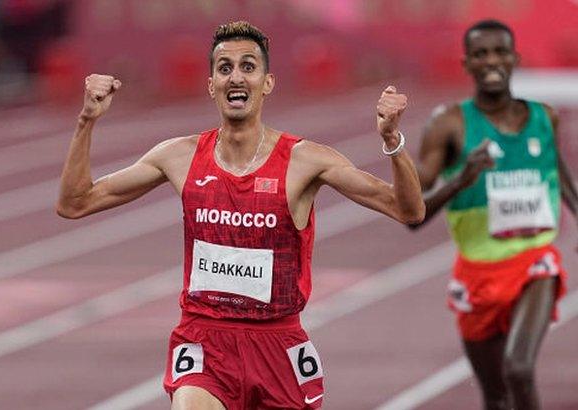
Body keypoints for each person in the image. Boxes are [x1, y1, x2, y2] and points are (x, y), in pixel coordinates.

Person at [57, 21, 424, 410]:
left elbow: (407, 209)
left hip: (277, 344)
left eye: (248, 67)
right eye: (225, 68)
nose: (237, 77)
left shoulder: (304, 160)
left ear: (267, 82)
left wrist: (392, 142)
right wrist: (86, 121)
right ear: (211, 83)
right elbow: (76, 202)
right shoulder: (179, 157)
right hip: (205, 339)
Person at [411, 19, 578, 410]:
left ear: (515, 58)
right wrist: (461, 179)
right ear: (466, 63)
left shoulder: (544, 118)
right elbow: (412, 215)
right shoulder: (448, 125)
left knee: (518, 369)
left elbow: (566, 183)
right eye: (481, 54)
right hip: (477, 273)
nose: (492, 61)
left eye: (500, 52)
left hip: (534, 262)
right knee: (495, 394)